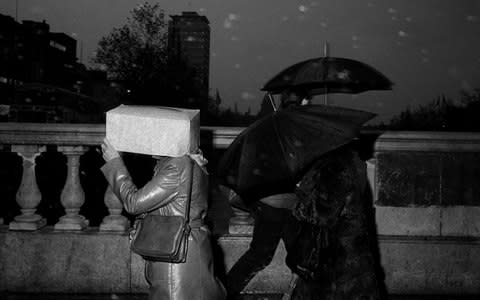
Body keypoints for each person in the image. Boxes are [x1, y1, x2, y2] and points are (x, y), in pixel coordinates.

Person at [101, 138, 226, 300]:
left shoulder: (176, 166)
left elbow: (134, 203)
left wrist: (114, 163)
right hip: (190, 247)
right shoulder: (189, 160)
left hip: (176, 256)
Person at [225, 88, 310, 299]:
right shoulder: (298, 129)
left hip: (269, 201)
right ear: (303, 101)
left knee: (261, 255)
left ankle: (226, 290)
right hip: (287, 203)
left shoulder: (268, 125)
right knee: (301, 257)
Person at [286, 143, 384, 300]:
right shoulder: (353, 159)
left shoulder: (333, 165)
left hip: (333, 252)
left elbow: (323, 214)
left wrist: (301, 201)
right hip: (351, 244)